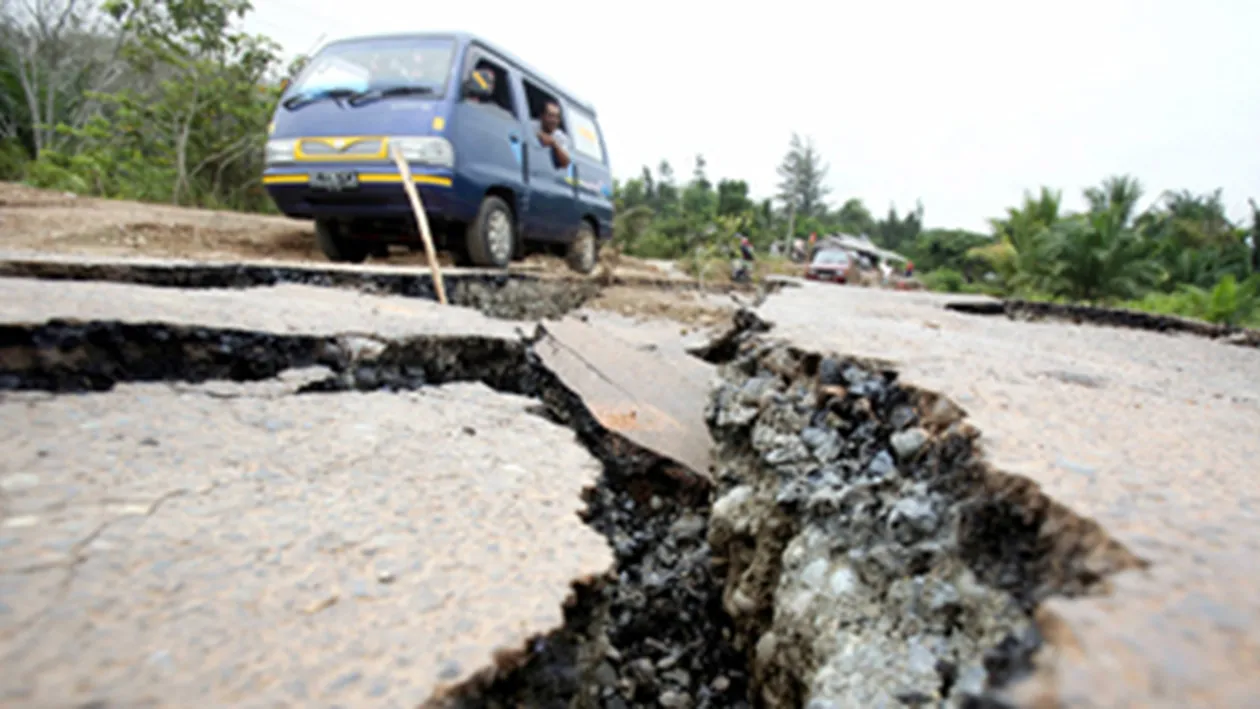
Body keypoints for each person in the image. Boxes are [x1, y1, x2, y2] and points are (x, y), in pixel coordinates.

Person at [534, 101, 571, 169]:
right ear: (542, 116)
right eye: (550, 116)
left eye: (556, 117)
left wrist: (553, 143)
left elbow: (566, 162)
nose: (554, 120)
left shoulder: (560, 136)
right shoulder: (532, 126)